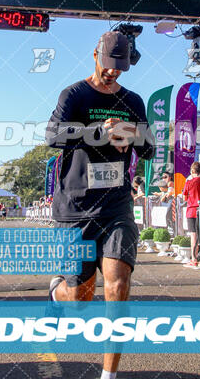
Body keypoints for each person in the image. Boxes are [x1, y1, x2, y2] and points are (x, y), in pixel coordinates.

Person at [45, 31, 155, 379]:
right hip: (76, 205)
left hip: (116, 205)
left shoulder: (134, 101)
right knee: (79, 298)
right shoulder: (74, 94)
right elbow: (52, 136)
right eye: (108, 65)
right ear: (95, 55)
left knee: (118, 284)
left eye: (119, 68)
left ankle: (109, 375)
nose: (113, 73)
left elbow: (150, 148)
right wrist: (97, 131)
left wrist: (131, 133)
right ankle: (56, 292)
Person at [183, 162, 200, 266]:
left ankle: (194, 258)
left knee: (193, 234)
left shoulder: (188, 182)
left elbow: (185, 196)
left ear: (193, 171)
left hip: (191, 209)